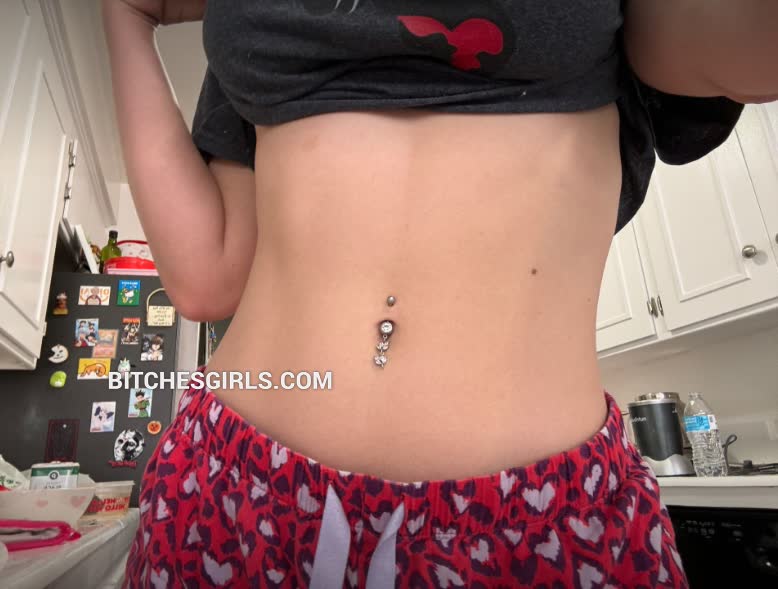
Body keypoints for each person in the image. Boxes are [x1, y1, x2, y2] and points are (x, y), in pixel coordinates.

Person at [103, 1, 777, 587]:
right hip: (234, 489)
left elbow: (751, 52)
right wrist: (126, 15)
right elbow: (207, 275)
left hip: (538, 522)